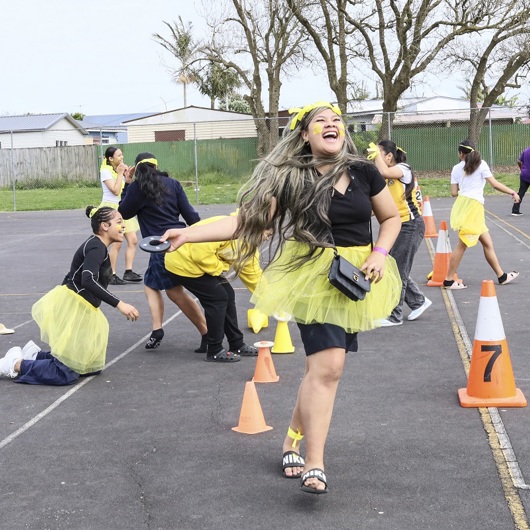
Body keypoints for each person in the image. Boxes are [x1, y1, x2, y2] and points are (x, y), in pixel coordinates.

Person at [159, 101, 402, 493]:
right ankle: (315, 462)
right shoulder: (289, 177)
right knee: (330, 368)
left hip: (355, 279)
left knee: (319, 372)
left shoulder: (364, 171)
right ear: (304, 134)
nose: (331, 125)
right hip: (311, 277)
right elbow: (244, 222)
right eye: (320, 121)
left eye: (336, 121)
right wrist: (188, 233)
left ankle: (291, 439)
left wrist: (379, 253)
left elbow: (391, 218)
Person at [0, 206, 140, 385]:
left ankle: (34, 356)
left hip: (84, 307)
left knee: (89, 366)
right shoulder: (96, 247)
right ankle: (15, 364)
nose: (123, 227)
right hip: (72, 305)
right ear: (105, 226)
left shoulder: (100, 247)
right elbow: (87, 279)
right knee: (64, 373)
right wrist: (120, 304)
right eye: (119, 223)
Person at [118, 152, 208, 350]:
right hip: (181, 241)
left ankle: (207, 333)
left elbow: (123, 213)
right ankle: (157, 328)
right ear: (156, 167)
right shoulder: (173, 184)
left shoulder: (136, 188)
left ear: (137, 168)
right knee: (151, 284)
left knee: (176, 293)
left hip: (160, 247)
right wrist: (203, 235)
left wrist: (127, 183)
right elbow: (191, 216)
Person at [163, 214, 261, 363]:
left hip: (203, 265)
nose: (267, 238)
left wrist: (273, 302)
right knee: (218, 298)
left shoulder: (249, 248)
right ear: (257, 229)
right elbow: (199, 253)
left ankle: (236, 344)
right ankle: (214, 349)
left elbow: (254, 277)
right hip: (182, 261)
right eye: (267, 233)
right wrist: (219, 268)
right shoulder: (227, 228)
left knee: (228, 293)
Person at [367, 140, 432, 325]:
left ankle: (394, 315)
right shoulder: (385, 178)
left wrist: (376, 158)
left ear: (389, 156)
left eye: (378, 154)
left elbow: (384, 171)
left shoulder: (403, 169)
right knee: (393, 268)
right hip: (397, 227)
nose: (374, 158)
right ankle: (418, 301)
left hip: (410, 225)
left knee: (397, 272)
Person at [444, 139, 520, 289]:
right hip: (474, 207)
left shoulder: (455, 168)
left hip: (463, 205)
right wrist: (512, 192)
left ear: (461, 153)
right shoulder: (481, 164)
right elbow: (494, 184)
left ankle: (501, 275)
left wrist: (465, 191)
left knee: (487, 243)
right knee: (462, 244)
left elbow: (454, 192)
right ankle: (448, 280)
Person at [98, 146, 142, 285]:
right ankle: (111, 274)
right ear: (110, 159)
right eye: (118, 156)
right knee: (117, 242)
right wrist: (119, 173)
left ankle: (128, 272)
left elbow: (125, 189)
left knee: (133, 239)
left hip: (122, 207)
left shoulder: (120, 171)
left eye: (122, 155)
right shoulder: (105, 172)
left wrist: (127, 176)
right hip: (111, 208)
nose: (121, 158)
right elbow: (116, 191)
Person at [511, 146, 530, 216]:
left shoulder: (526, 150)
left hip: (524, 174)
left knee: (521, 193)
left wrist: (521, 168)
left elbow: (519, 161)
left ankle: (515, 210)